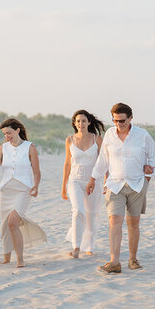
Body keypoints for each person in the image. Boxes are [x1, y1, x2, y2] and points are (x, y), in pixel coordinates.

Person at [86, 103, 155, 274]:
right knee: (114, 221)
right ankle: (114, 262)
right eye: (115, 120)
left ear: (131, 118)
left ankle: (133, 259)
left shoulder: (142, 135)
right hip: (114, 184)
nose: (118, 124)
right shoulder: (110, 134)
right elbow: (103, 159)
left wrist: (149, 173)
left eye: (122, 121)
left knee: (133, 223)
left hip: (136, 184)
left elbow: (154, 156)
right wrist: (93, 179)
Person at [0, 118, 46, 268]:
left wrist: (36, 186)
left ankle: (20, 259)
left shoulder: (30, 147)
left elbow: (36, 172)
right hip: (6, 191)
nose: (7, 136)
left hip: (23, 190)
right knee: (5, 225)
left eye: (9, 132)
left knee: (13, 222)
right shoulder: (3, 148)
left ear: (18, 130)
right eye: (5, 134)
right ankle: (6, 258)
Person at [61, 110, 105, 258]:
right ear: (74, 123)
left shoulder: (97, 139)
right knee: (78, 211)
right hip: (75, 181)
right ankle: (76, 247)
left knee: (91, 214)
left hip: (93, 181)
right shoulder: (70, 140)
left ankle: (90, 246)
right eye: (78, 121)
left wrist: (106, 181)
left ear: (89, 122)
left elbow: (103, 162)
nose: (81, 124)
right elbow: (67, 164)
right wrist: (63, 187)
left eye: (84, 121)